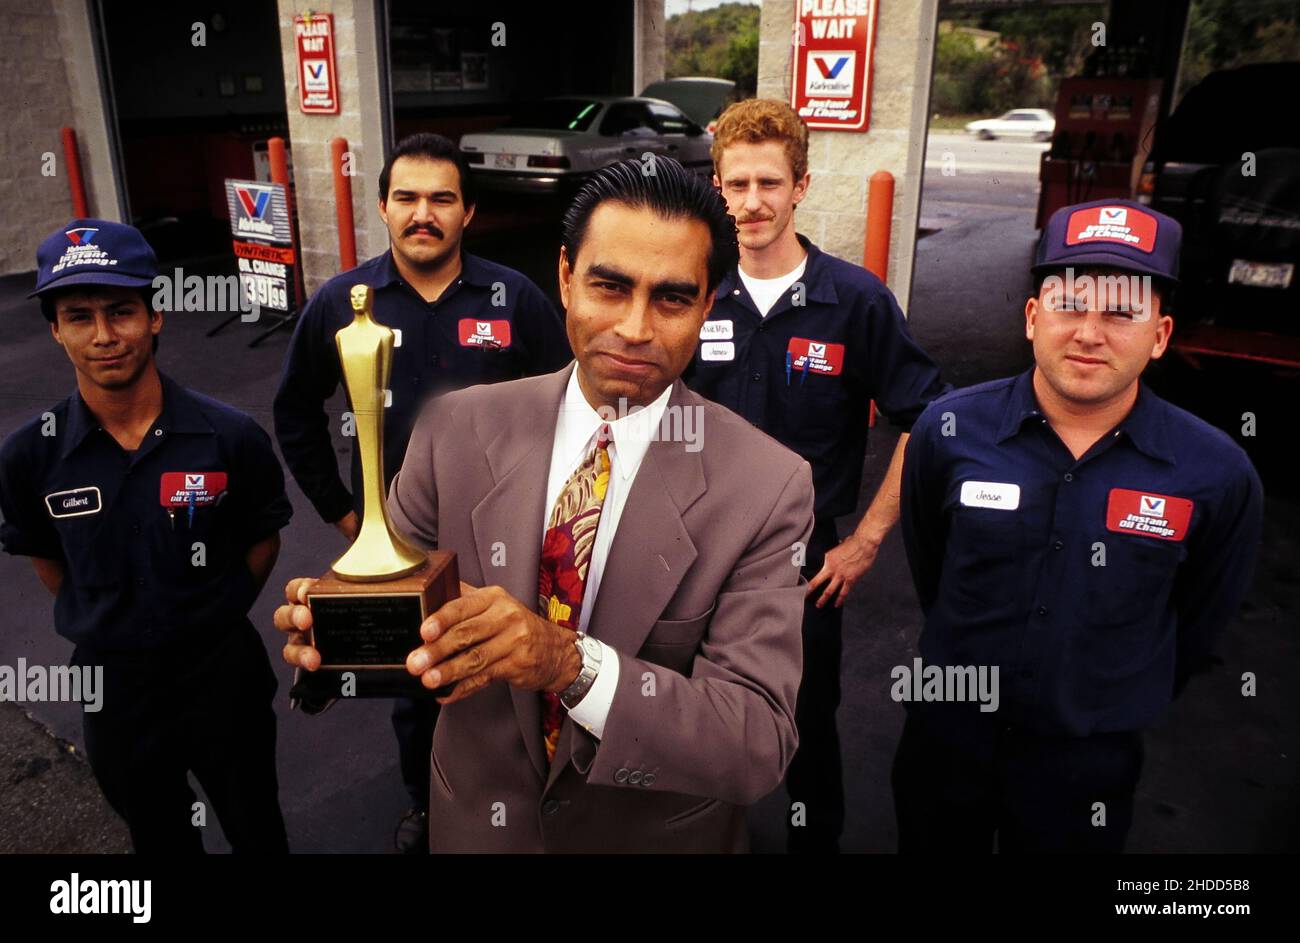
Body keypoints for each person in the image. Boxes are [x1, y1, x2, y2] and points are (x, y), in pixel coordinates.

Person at [275, 157, 816, 852]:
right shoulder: (453, 429)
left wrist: (567, 661)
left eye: (672, 299)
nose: (634, 327)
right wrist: (331, 633)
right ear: (565, 276)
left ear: (709, 303)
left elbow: (754, 742)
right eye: (609, 286)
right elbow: (395, 605)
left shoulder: (768, 486)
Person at [896, 199, 1264, 852]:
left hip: (1086, 764)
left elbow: (1200, 618)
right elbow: (932, 564)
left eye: (1122, 311)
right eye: (1070, 304)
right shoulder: (948, 430)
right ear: (1034, 318)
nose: (1090, 332)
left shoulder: (1218, 472)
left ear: (1161, 334)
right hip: (945, 737)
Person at [272, 133, 571, 852]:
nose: (423, 213)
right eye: (406, 197)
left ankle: (531, 801)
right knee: (416, 685)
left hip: (506, 536)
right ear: (382, 206)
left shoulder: (515, 297)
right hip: (397, 546)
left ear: (469, 212)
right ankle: (427, 806)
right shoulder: (342, 305)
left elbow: (571, 402)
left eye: (442, 198)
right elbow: (294, 411)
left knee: (511, 676)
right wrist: (348, 516)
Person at [685, 98, 948, 852]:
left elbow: (926, 419)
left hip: (804, 568)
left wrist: (864, 542)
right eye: (736, 185)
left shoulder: (855, 301)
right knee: (690, 712)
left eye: (769, 183)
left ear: (801, 185)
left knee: (805, 721)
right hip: (694, 553)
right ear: (717, 185)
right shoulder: (694, 293)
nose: (752, 202)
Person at [0, 219, 291, 852]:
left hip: (223, 679)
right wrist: (114, 619)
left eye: (121, 311)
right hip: (114, 694)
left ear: (155, 316)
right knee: (159, 841)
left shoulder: (231, 436)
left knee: (258, 832)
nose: (104, 336)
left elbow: (262, 538)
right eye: (79, 316)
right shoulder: (29, 455)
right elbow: (46, 557)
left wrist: (209, 610)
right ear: (55, 329)